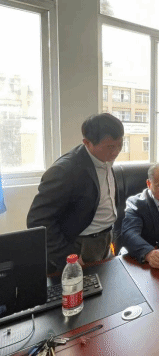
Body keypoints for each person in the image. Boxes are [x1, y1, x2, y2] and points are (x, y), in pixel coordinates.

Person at [28, 113, 124, 274]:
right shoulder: (65, 170)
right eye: (110, 147)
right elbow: (38, 220)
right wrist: (67, 256)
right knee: (85, 288)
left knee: (105, 285)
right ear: (87, 143)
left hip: (106, 239)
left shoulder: (105, 158)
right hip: (81, 245)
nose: (116, 152)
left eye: (120, 144)